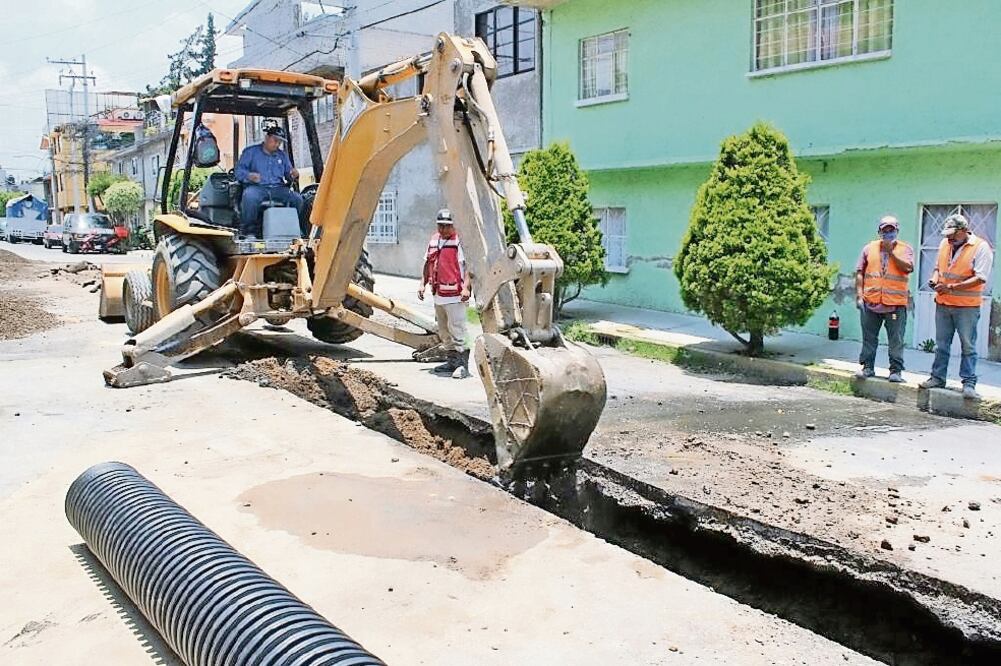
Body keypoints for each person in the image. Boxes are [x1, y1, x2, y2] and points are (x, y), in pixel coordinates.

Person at [920, 214, 994, 399]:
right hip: (944, 303)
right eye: (947, 235)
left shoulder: (980, 247)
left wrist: (951, 287)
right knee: (941, 345)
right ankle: (937, 378)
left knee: (968, 346)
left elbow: (980, 277)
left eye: (952, 234)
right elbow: (939, 267)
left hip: (967, 307)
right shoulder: (945, 244)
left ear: (963, 230)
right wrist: (934, 279)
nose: (949, 238)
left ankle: (968, 383)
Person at [854, 215, 914, 382]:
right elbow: (860, 272)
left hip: (895, 305)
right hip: (871, 302)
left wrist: (891, 253)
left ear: (897, 231)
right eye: (885, 230)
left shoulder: (905, 249)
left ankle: (895, 371)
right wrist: (859, 296)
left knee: (896, 340)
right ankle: (867, 367)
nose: (888, 233)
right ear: (879, 231)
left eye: (891, 229)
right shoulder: (868, 248)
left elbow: (908, 268)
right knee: (869, 338)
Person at [418, 208, 473, 378]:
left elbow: (469, 268)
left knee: (459, 329)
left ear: (454, 226)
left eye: (447, 226)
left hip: (455, 295)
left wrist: (466, 288)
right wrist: (422, 284)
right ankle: (451, 362)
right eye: (440, 225)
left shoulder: (459, 242)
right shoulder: (434, 240)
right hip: (438, 294)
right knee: (444, 330)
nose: (443, 229)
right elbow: (428, 264)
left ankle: (463, 366)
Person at [235, 126, 302, 238]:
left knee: (297, 199)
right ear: (267, 138)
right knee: (250, 196)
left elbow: (289, 175)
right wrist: (249, 176)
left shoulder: (282, 156)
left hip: (278, 188)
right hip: (258, 187)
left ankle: (294, 228)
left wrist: (294, 175)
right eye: (275, 140)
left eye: (279, 142)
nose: (277, 144)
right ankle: (248, 231)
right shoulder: (250, 152)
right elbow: (238, 171)